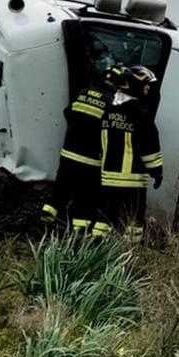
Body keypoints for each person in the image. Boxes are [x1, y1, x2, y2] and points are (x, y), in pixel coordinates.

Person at [42, 66, 123, 233]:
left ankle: (47, 218)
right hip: (90, 161)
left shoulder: (81, 94)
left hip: (68, 155)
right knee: (84, 198)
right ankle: (79, 231)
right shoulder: (111, 104)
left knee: (61, 189)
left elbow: (68, 114)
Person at [95, 65, 163, 242]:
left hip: (107, 178)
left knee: (105, 217)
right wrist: (157, 172)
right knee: (133, 220)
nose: (148, 88)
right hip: (133, 181)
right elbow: (150, 148)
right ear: (134, 85)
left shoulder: (108, 111)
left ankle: (96, 248)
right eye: (146, 85)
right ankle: (130, 253)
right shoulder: (141, 114)